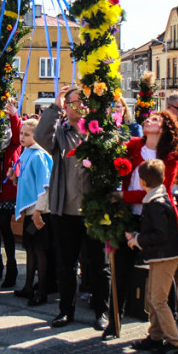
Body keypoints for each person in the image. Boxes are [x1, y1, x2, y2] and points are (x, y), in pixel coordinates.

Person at [35, 84, 110, 330]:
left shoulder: (98, 132)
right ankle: (65, 311)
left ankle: (102, 311)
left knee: (99, 265)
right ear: (66, 107)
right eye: (74, 102)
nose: (79, 106)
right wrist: (55, 106)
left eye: (83, 102)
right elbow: (40, 136)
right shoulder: (61, 133)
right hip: (65, 212)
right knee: (66, 265)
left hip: (93, 211)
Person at [112, 110, 178, 340]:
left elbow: (158, 190)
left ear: (164, 128)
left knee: (160, 274)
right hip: (130, 217)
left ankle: (168, 326)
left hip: (155, 220)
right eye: (148, 118)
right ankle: (115, 318)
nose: (148, 120)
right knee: (121, 269)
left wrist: (122, 196)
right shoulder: (134, 145)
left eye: (155, 119)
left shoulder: (170, 156)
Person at [126, 158, 178, 354]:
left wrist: (137, 239)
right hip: (161, 256)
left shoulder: (155, 203)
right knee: (152, 297)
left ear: (142, 182)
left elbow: (160, 234)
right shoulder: (157, 198)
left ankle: (174, 342)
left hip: (164, 257)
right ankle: (156, 336)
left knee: (158, 300)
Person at [11, 117, 52, 305]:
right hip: (30, 211)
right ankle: (28, 286)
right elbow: (27, 184)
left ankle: (42, 290)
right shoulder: (26, 153)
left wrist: (39, 211)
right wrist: (15, 178)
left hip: (39, 212)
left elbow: (45, 186)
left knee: (40, 251)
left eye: (27, 135)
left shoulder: (40, 155)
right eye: (21, 133)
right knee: (29, 249)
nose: (22, 137)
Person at [0, 99, 21, 287]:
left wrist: (14, 115)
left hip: (8, 189)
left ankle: (12, 267)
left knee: (4, 226)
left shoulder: (13, 142)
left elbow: (17, 135)